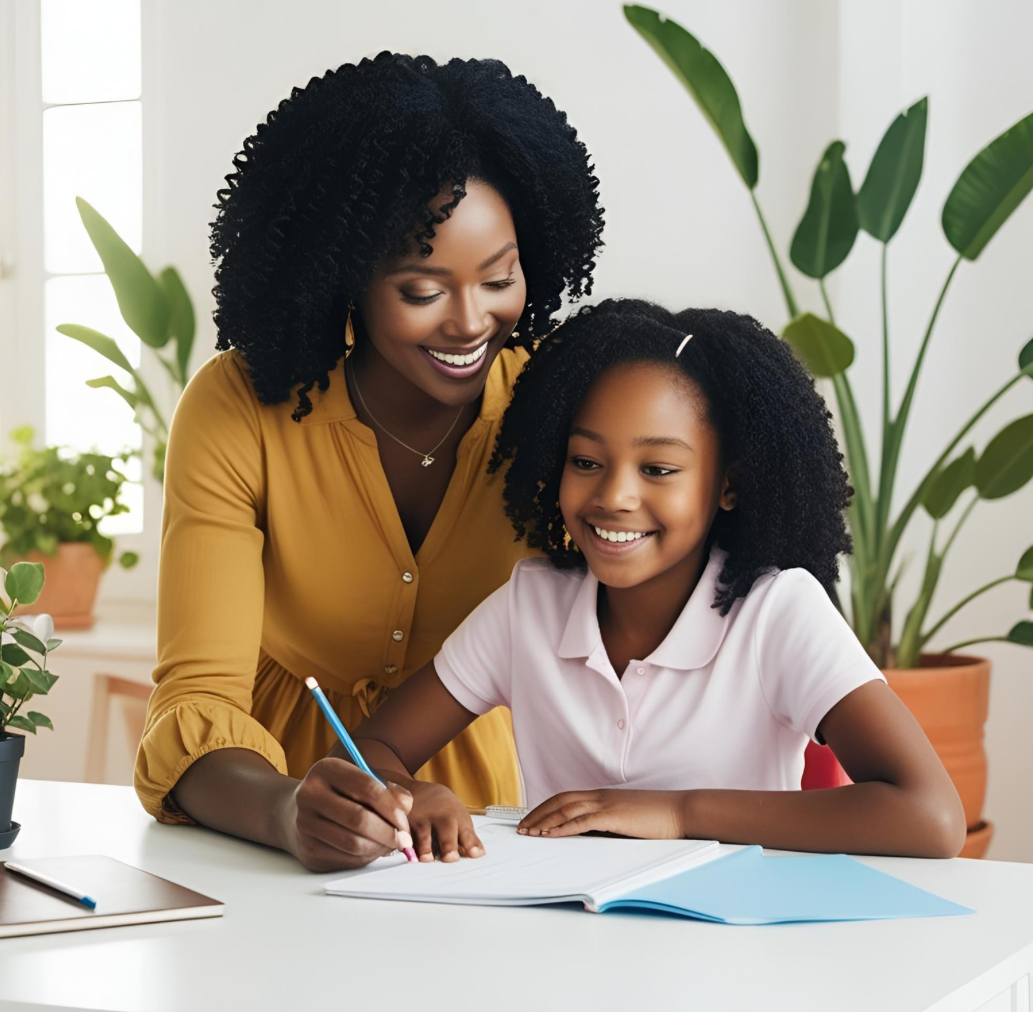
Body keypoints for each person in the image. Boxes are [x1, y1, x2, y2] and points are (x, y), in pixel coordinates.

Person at [133, 52, 604, 872]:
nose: (470, 322)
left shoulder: (563, 404)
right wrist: (285, 810)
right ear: (343, 277)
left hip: (493, 827)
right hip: (261, 821)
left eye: (501, 278)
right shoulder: (238, 409)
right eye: (422, 291)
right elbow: (196, 702)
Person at [300, 299, 967, 869]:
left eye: (658, 469)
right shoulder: (529, 606)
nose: (614, 496)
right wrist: (415, 796)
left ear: (727, 483)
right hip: (568, 958)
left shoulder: (777, 613)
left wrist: (677, 812)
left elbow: (930, 816)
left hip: (732, 966)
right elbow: (368, 751)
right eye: (586, 461)